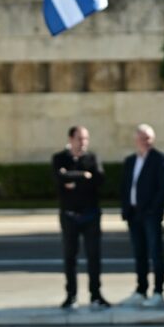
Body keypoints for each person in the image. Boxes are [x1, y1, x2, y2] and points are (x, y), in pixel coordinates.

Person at [51, 125, 108, 310]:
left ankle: (96, 295)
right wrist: (83, 176)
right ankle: (71, 295)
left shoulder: (92, 158)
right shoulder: (59, 158)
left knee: (94, 256)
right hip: (69, 215)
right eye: (79, 138)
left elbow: (99, 180)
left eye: (85, 139)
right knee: (70, 256)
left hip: (90, 214)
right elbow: (59, 178)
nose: (83, 142)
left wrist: (73, 180)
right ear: (70, 139)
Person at [120, 124, 164, 307]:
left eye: (149, 138)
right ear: (136, 140)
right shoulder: (130, 161)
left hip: (150, 214)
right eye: (143, 138)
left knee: (155, 253)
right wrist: (126, 209)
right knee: (139, 253)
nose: (146, 141)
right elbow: (126, 187)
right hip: (133, 215)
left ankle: (158, 292)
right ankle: (141, 290)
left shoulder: (160, 159)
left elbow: (163, 187)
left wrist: (152, 209)